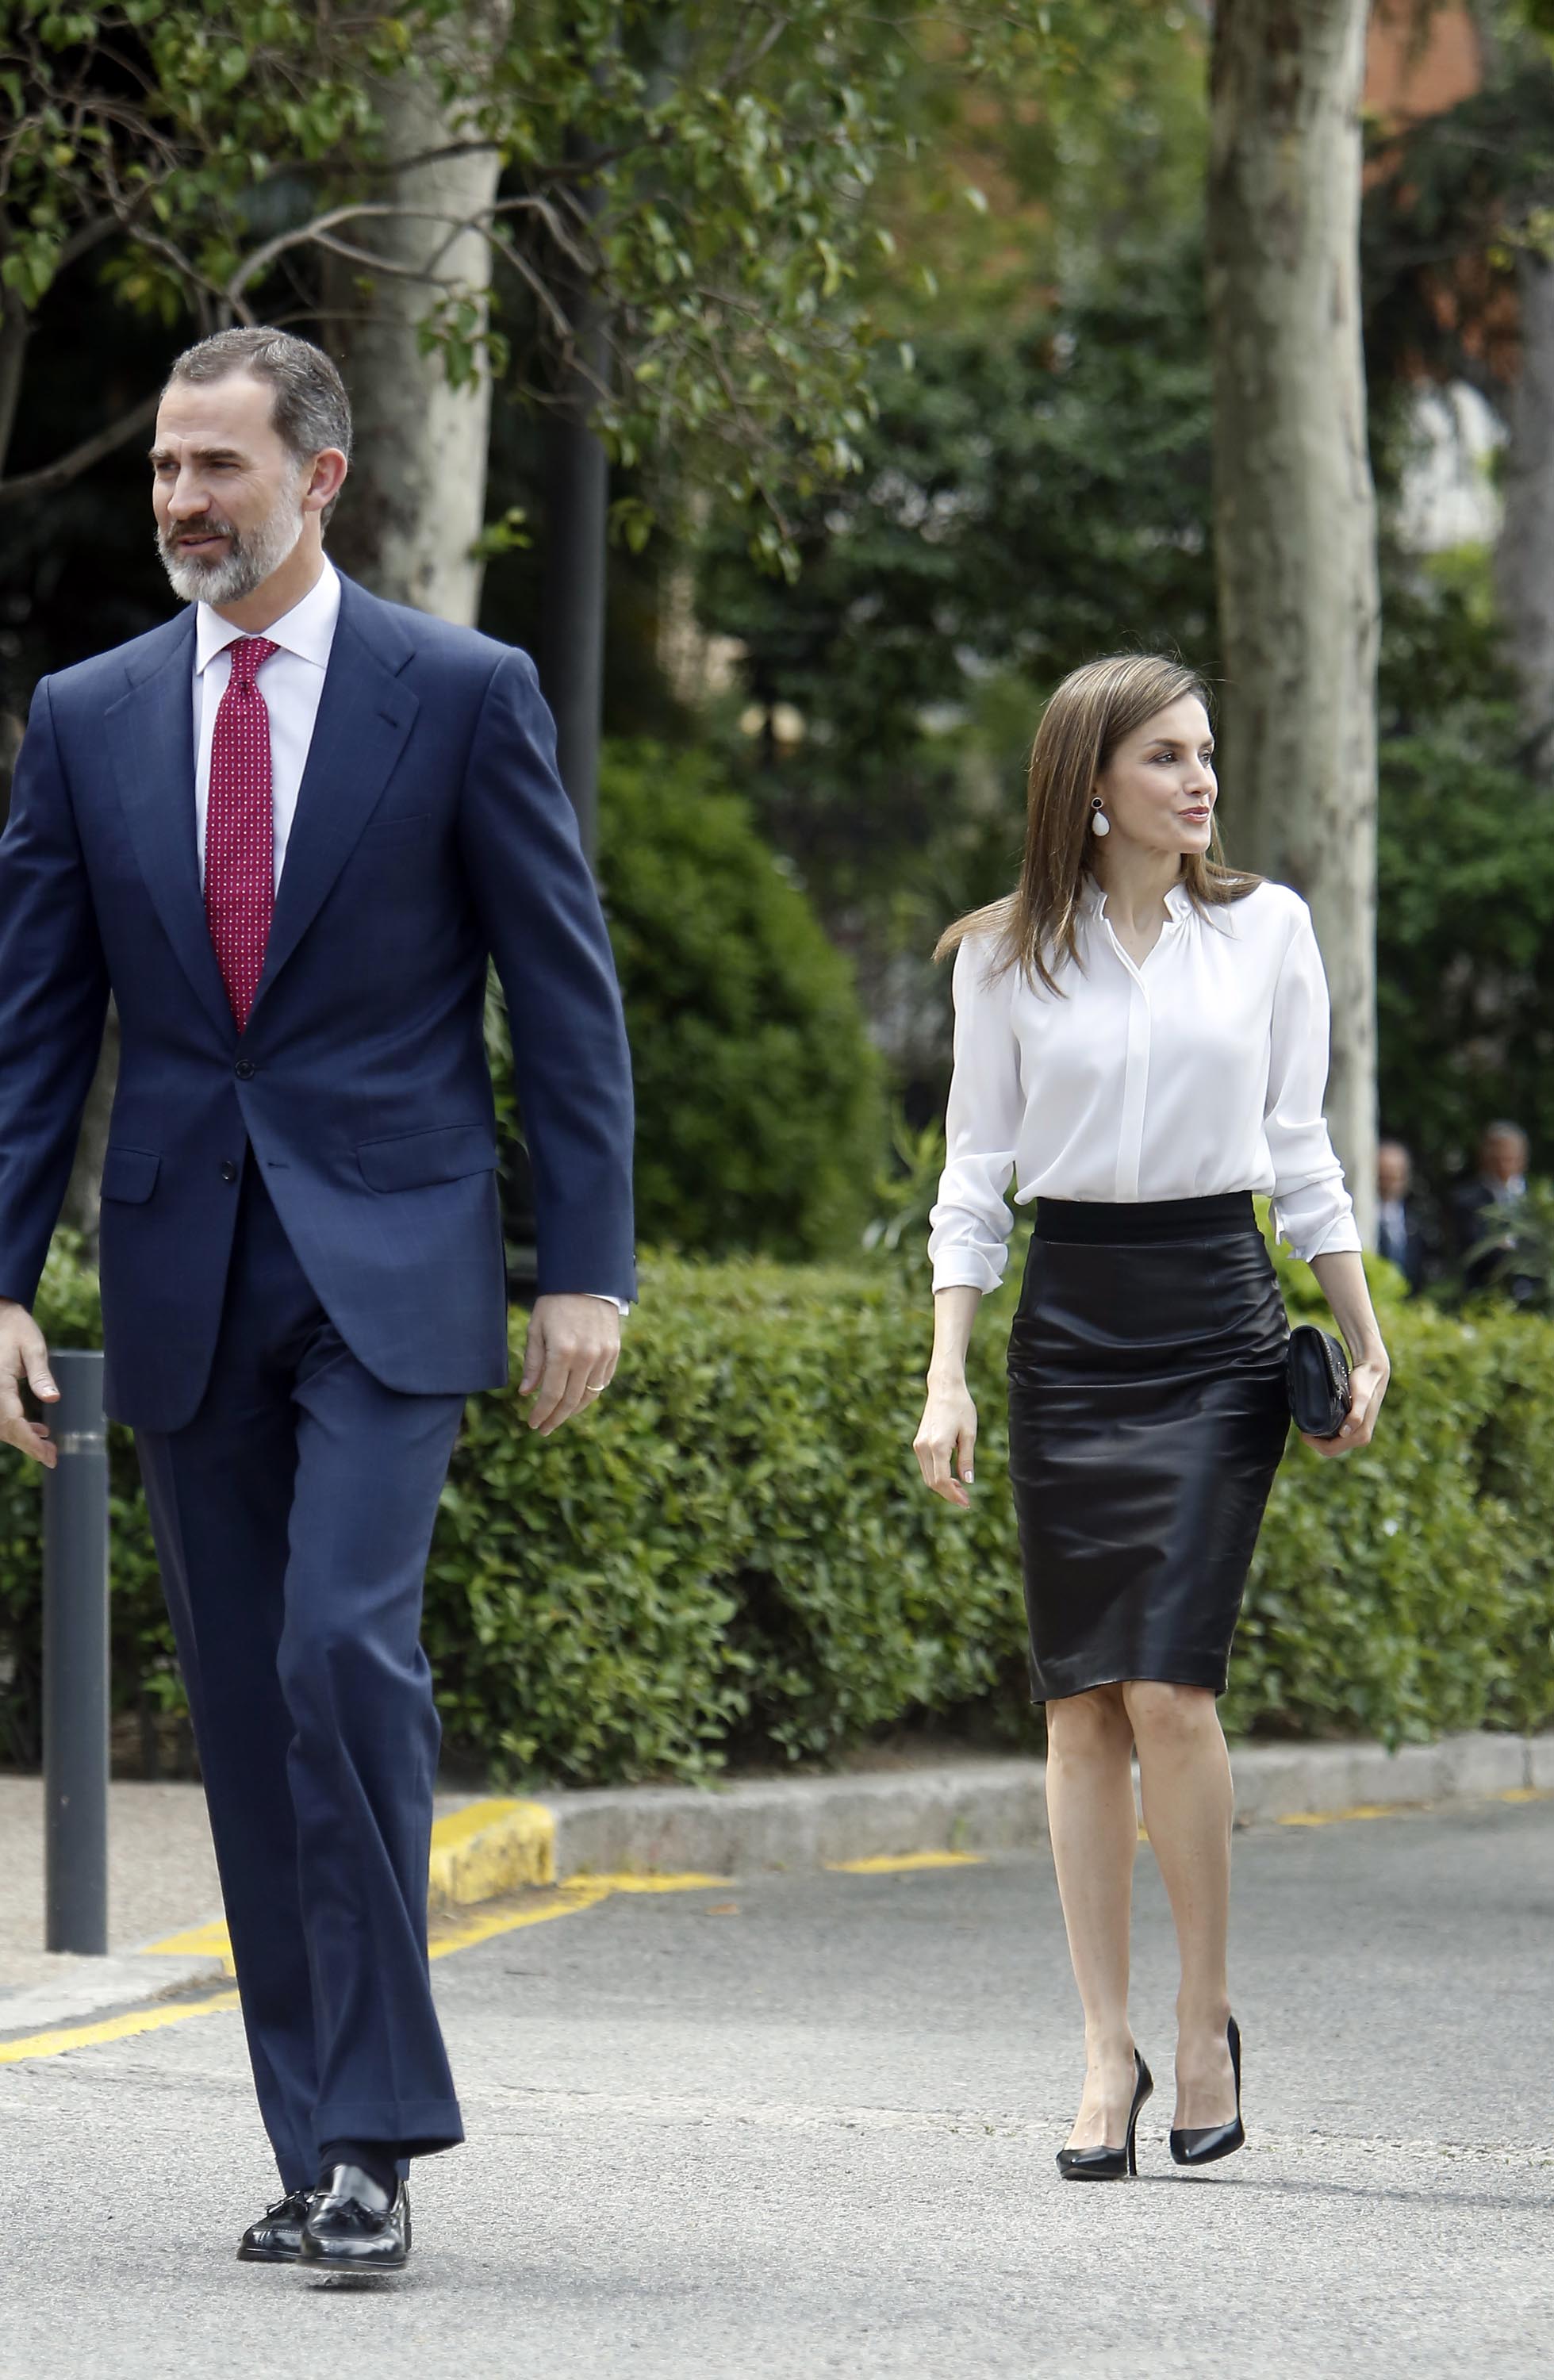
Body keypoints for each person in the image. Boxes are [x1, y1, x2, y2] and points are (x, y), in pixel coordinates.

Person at [0, 329, 635, 2272]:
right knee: (251, 1711)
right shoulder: (90, 711)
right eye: (168, 467)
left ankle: (373, 2120)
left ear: (322, 475)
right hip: (188, 1263)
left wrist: (582, 1262)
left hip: (394, 1261)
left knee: (335, 1655)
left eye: (219, 466)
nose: (182, 497)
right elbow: (33, 1028)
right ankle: (322, 2144)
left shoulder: (459, 691)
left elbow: (563, 987)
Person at [914, 654, 1389, 2181]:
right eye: (1166, 758)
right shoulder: (997, 960)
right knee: (1075, 1708)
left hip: (1212, 1326)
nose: (1197, 781)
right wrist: (944, 1375)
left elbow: (1301, 1155)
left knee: (1169, 1691)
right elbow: (971, 1183)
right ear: (1089, 780)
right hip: (1067, 1335)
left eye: (1204, 755)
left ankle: (1201, 2022)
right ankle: (1099, 2048)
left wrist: (1362, 1343)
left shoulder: (1264, 933)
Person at [1452, 1121, 1539, 1302]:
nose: (1504, 1164)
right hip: (1485, 1294)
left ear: (1523, 1158)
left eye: (1510, 1157)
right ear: (1485, 1157)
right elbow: (1474, 1249)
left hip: (1535, 1294)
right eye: (1498, 1157)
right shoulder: (1467, 1201)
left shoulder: (1537, 1199)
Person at [1375, 1138, 1434, 1293]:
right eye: (1384, 1177)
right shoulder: (1360, 1218)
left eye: (1395, 1177)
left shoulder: (1418, 1220)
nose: (1389, 1185)